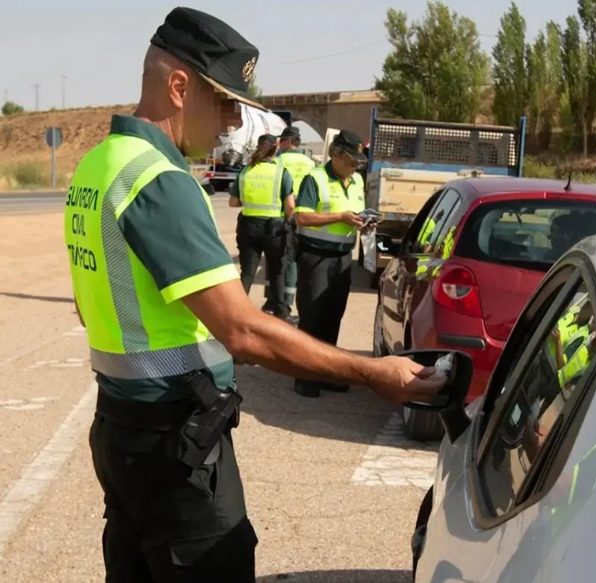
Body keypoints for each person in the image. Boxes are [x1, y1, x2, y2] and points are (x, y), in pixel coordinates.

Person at [63, 8, 442, 582]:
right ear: (178, 86)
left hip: (121, 431)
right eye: (225, 101)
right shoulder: (159, 181)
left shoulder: (97, 166)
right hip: (174, 447)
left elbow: (94, 301)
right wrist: (371, 373)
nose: (232, 121)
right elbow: (242, 330)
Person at [293, 130, 369, 398]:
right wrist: (341, 217)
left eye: (358, 162)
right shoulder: (315, 178)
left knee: (333, 316)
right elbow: (301, 217)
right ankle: (304, 376)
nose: (355, 166)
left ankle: (325, 373)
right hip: (316, 257)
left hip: (343, 258)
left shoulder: (357, 181)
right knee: (312, 316)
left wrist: (364, 223)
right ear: (335, 154)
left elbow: (355, 213)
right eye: (350, 160)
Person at [228, 133, 294, 320]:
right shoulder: (281, 172)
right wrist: (288, 222)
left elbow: (233, 202)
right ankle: (281, 312)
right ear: (276, 147)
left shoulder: (246, 171)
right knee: (277, 271)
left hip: (248, 226)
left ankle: (238, 311)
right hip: (274, 228)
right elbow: (290, 206)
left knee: (248, 272)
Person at [276, 125, 316, 323]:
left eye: (282, 140)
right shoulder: (310, 163)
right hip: (304, 215)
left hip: (284, 215)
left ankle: (282, 303)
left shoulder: (279, 159)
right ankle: (291, 302)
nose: (280, 144)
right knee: (298, 260)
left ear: (289, 141)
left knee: (283, 261)